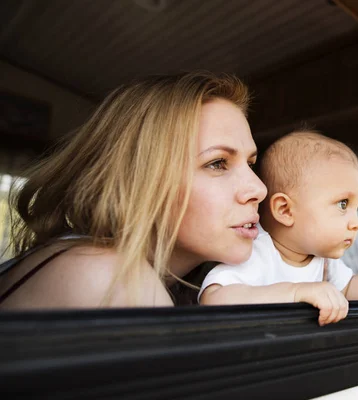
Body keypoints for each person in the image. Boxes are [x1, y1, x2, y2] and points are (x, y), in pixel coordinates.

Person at [0, 71, 267, 309]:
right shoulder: (114, 277)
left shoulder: (93, 260)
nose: (259, 188)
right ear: (139, 176)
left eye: (251, 163)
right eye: (217, 163)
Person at [200, 131, 358, 326]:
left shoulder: (324, 262)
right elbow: (213, 299)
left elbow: (352, 286)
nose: (357, 222)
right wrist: (296, 293)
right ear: (285, 210)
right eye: (343, 204)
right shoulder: (256, 253)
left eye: (357, 207)